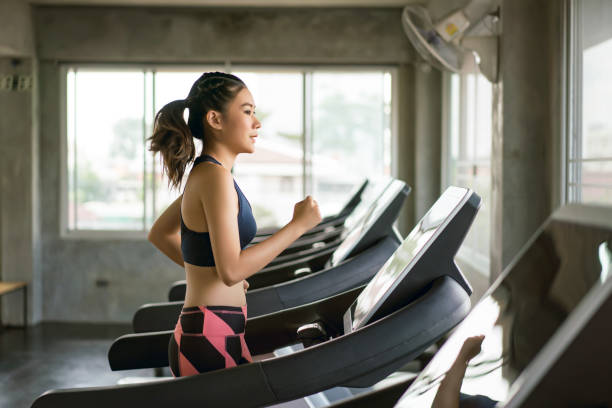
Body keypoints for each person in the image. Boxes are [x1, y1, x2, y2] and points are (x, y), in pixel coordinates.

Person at [146, 72, 322, 377]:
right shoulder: (213, 178)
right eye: (247, 111)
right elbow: (232, 271)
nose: (257, 123)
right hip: (209, 333)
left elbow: (161, 234)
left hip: (217, 328)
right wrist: (297, 226)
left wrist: (203, 272)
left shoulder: (211, 175)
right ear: (215, 119)